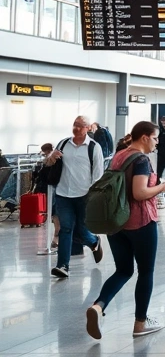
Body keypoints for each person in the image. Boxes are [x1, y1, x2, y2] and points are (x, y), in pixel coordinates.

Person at [85, 121, 165, 340]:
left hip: (116, 222)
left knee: (123, 270)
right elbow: (140, 193)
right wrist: (164, 186)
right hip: (140, 222)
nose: (157, 143)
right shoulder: (141, 160)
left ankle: (98, 306)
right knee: (145, 272)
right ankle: (140, 324)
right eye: (155, 138)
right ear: (145, 137)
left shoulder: (119, 155)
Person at [48, 116, 105, 279]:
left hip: (84, 195)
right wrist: (51, 158)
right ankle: (63, 265)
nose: (76, 128)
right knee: (65, 229)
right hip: (63, 194)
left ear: (87, 128)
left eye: (80, 126)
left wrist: (94, 195)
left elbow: (98, 175)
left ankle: (94, 242)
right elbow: (50, 163)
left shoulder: (94, 147)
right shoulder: (63, 143)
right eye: (74, 125)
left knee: (81, 230)